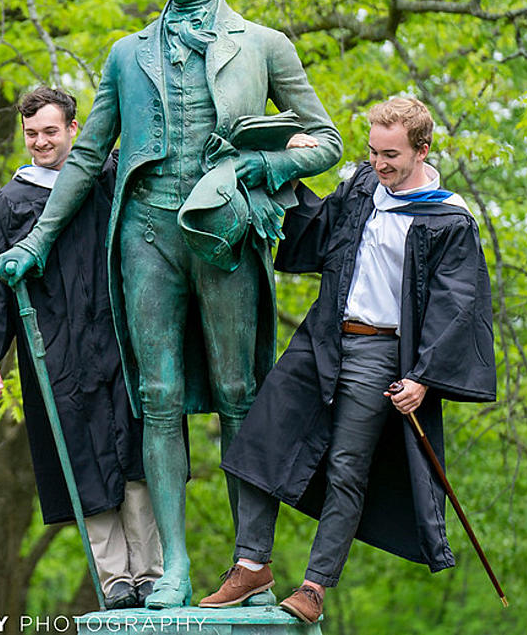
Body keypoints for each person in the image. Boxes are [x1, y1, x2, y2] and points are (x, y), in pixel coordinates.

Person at [0, 0, 342, 608]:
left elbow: (326, 141)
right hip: (146, 234)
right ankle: (175, 564)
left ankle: (252, 561)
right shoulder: (128, 53)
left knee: (239, 393)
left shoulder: (264, 45)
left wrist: (259, 169)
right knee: (156, 400)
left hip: (223, 236)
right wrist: (38, 239)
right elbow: (89, 152)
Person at [200, 98, 497, 623]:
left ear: (422, 150)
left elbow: (457, 306)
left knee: (346, 467)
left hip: (383, 352)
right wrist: (285, 163)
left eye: (390, 156)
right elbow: (314, 229)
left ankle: (314, 588)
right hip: (325, 336)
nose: (379, 164)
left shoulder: (448, 219)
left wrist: (422, 377)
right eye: (372, 152)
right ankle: (251, 565)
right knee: (259, 439)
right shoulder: (362, 188)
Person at [0, 86, 161, 609]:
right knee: (81, 455)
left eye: (51, 131)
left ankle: (154, 572)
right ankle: (115, 579)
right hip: (56, 353)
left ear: (75, 128)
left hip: (122, 338)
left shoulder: (107, 177)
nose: (41, 142)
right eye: (31, 134)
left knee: (137, 453)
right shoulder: (11, 202)